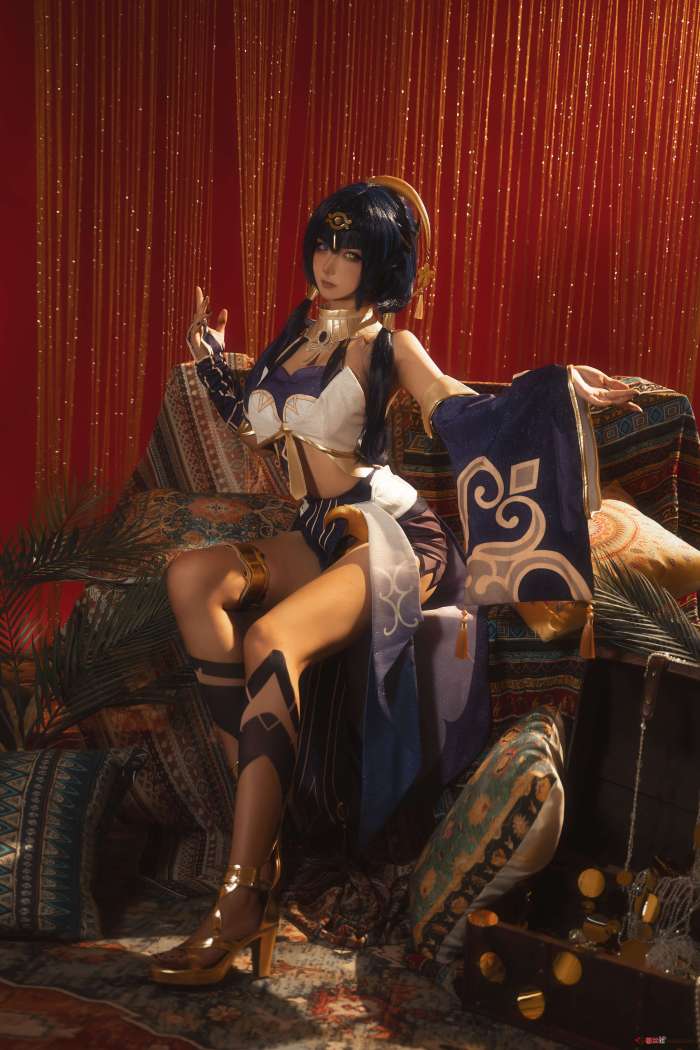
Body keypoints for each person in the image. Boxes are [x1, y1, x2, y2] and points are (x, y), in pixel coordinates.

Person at [149, 177, 639, 986]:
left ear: (382, 263)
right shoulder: (296, 338)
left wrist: (561, 389)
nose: (331, 261)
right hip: (318, 528)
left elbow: (460, 408)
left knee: (271, 639)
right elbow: (254, 419)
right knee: (192, 576)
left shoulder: (389, 346)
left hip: (394, 533)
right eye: (324, 243)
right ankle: (263, 829)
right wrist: (211, 358)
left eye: (352, 251)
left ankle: (240, 893)